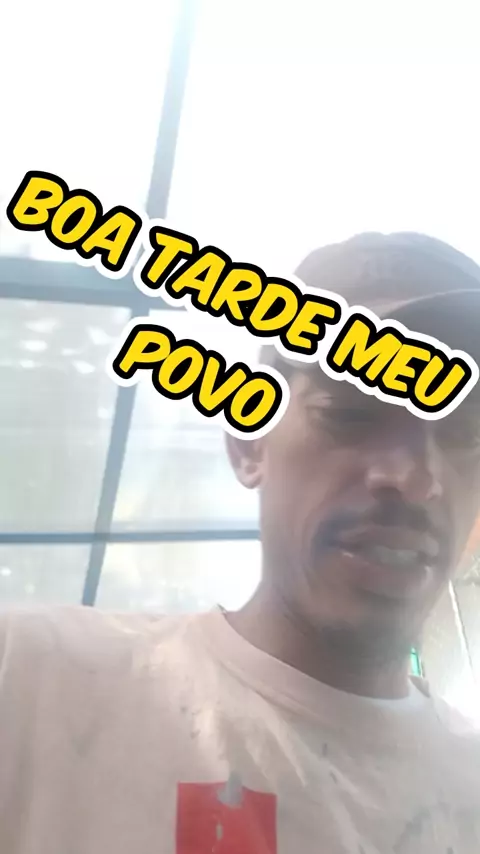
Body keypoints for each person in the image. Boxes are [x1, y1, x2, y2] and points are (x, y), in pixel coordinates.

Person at [2, 232, 480, 854]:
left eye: (465, 433)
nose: (414, 479)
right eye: (351, 414)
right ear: (249, 443)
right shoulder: (32, 682)